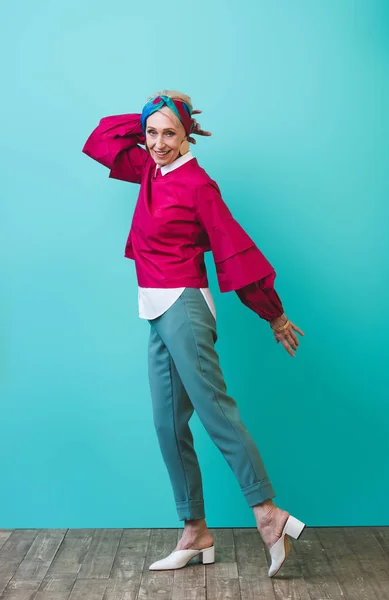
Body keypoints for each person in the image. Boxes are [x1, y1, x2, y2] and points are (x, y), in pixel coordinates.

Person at [82, 90, 305, 577]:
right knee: (167, 424)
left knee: (216, 415)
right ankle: (195, 530)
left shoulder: (199, 185)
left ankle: (268, 514)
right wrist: (153, 105)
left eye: (169, 134)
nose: (158, 143)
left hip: (183, 305)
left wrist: (273, 313)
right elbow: (100, 139)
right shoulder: (148, 170)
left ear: (188, 137)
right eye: (151, 134)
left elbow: (234, 248)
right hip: (154, 308)